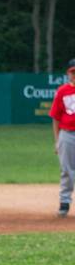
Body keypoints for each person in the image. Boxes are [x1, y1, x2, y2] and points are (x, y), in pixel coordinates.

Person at [50, 58, 75, 218]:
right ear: (68, 73)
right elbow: (56, 118)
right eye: (73, 72)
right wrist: (57, 140)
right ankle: (64, 203)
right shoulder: (62, 91)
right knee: (66, 169)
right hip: (67, 134)